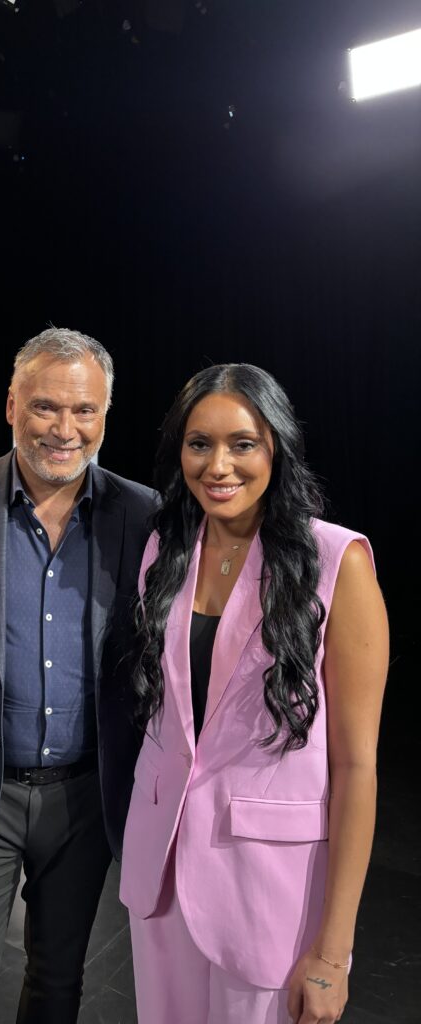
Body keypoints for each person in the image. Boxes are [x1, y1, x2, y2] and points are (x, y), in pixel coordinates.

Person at [120, 363, 389, 1024]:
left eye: (242, 443)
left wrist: (332, 955)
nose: (218, 465)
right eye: (198, 443)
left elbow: (357, 767)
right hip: (162, 877)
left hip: (270, 894)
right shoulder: (165, 551)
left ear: (277, 447)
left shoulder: (337, 562)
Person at [0, 327, 157, 1024]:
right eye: (46, 406)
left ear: (105, 415)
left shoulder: (142, 513)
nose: (65, 429)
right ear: (11, 404)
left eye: (85, 411)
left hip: (83, 798)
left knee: (56, 989)